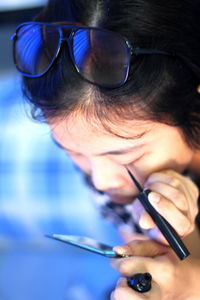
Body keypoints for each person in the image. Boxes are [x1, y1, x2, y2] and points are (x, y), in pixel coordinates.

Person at [11, 0, 200, 299]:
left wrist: (193, 285)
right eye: (73, 153)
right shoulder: (102, 162)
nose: (100, 181)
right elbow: (172, 262)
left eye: (127, 157)